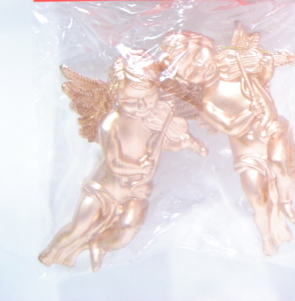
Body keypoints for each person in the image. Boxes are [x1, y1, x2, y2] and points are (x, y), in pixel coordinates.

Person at [39, 51, 205, 271]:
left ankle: (98, 245)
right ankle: (52, 252)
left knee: (127, 231)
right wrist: (139, 168)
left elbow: (162, 144)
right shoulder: (112, 123)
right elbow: (115, 163)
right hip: (105, 188)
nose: (141, 107)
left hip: (137, 190)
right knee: (78, 228)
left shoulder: (152, 119)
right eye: (131, 102)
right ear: (116, 95)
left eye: (149, 99)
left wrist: (183, 143)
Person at [160, 27, 295, 255]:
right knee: (257, 197)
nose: (200, 65)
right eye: (190, 70)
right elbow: (232, 127)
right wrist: (251, 111)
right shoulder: (205, 103)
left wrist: (268, 65)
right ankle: (267, 237)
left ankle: (285, 202)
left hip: (273, 131)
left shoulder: (236, 71)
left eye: (198, 55)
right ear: (183, 80)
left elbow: (263, 80)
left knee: (280, 165)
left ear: (208, 45)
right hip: (247, 153)